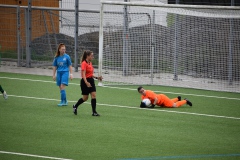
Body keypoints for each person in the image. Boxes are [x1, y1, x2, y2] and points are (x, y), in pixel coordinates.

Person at [72, 50, 102, 116]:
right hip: (85, 81)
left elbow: (91, 74)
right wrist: (86, 82)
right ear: (87, 56)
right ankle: (75, 106)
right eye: (91, 56)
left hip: (91, 80)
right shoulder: (84, 63)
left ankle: (94, 112)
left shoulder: (90, 63)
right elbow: (83, 74)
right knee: (85, 98)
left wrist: (97, 77)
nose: (93, 57)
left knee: (93, 95)